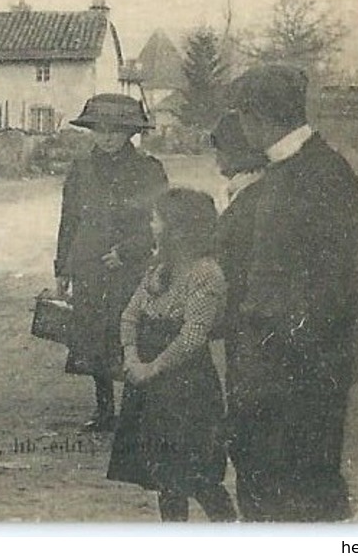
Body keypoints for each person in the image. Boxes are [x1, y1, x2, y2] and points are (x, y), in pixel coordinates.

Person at [224, 64, 358, 522]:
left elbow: (335, 284)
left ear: (254, 119)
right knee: (272, 485)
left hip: (296, 371)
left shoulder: (317, 176)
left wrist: (269, 334)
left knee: (295, 495)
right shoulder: (297, 169)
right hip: (280, 366)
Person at [106, 188, 237, 522]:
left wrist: (151, 369)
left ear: (177, 227)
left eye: (156, 218)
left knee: (200, 478)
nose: (151, 224)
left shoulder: (206, 273)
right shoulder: (160, 269)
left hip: (187, 390)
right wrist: (132, 358)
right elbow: (129, 315)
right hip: (152, 390)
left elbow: (192, 335)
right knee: (166, 480)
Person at [54, 94, 165, 432]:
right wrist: (62, 268)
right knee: (93, 337)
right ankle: (104, 410)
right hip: (89, 266)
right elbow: (69, 220)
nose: (106, 137)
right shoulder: (81, 168)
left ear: (131, 132)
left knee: (131, 335)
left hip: (130, 269)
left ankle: (136, 412)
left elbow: (161, 221)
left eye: (116, 130)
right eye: (99, 130)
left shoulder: (148, 169)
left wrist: (129, 251)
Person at [210, 110, 267, 339]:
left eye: (220, 151)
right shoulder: (234, 191)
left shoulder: (256, 195)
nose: (216, 159)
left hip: (248, 311)